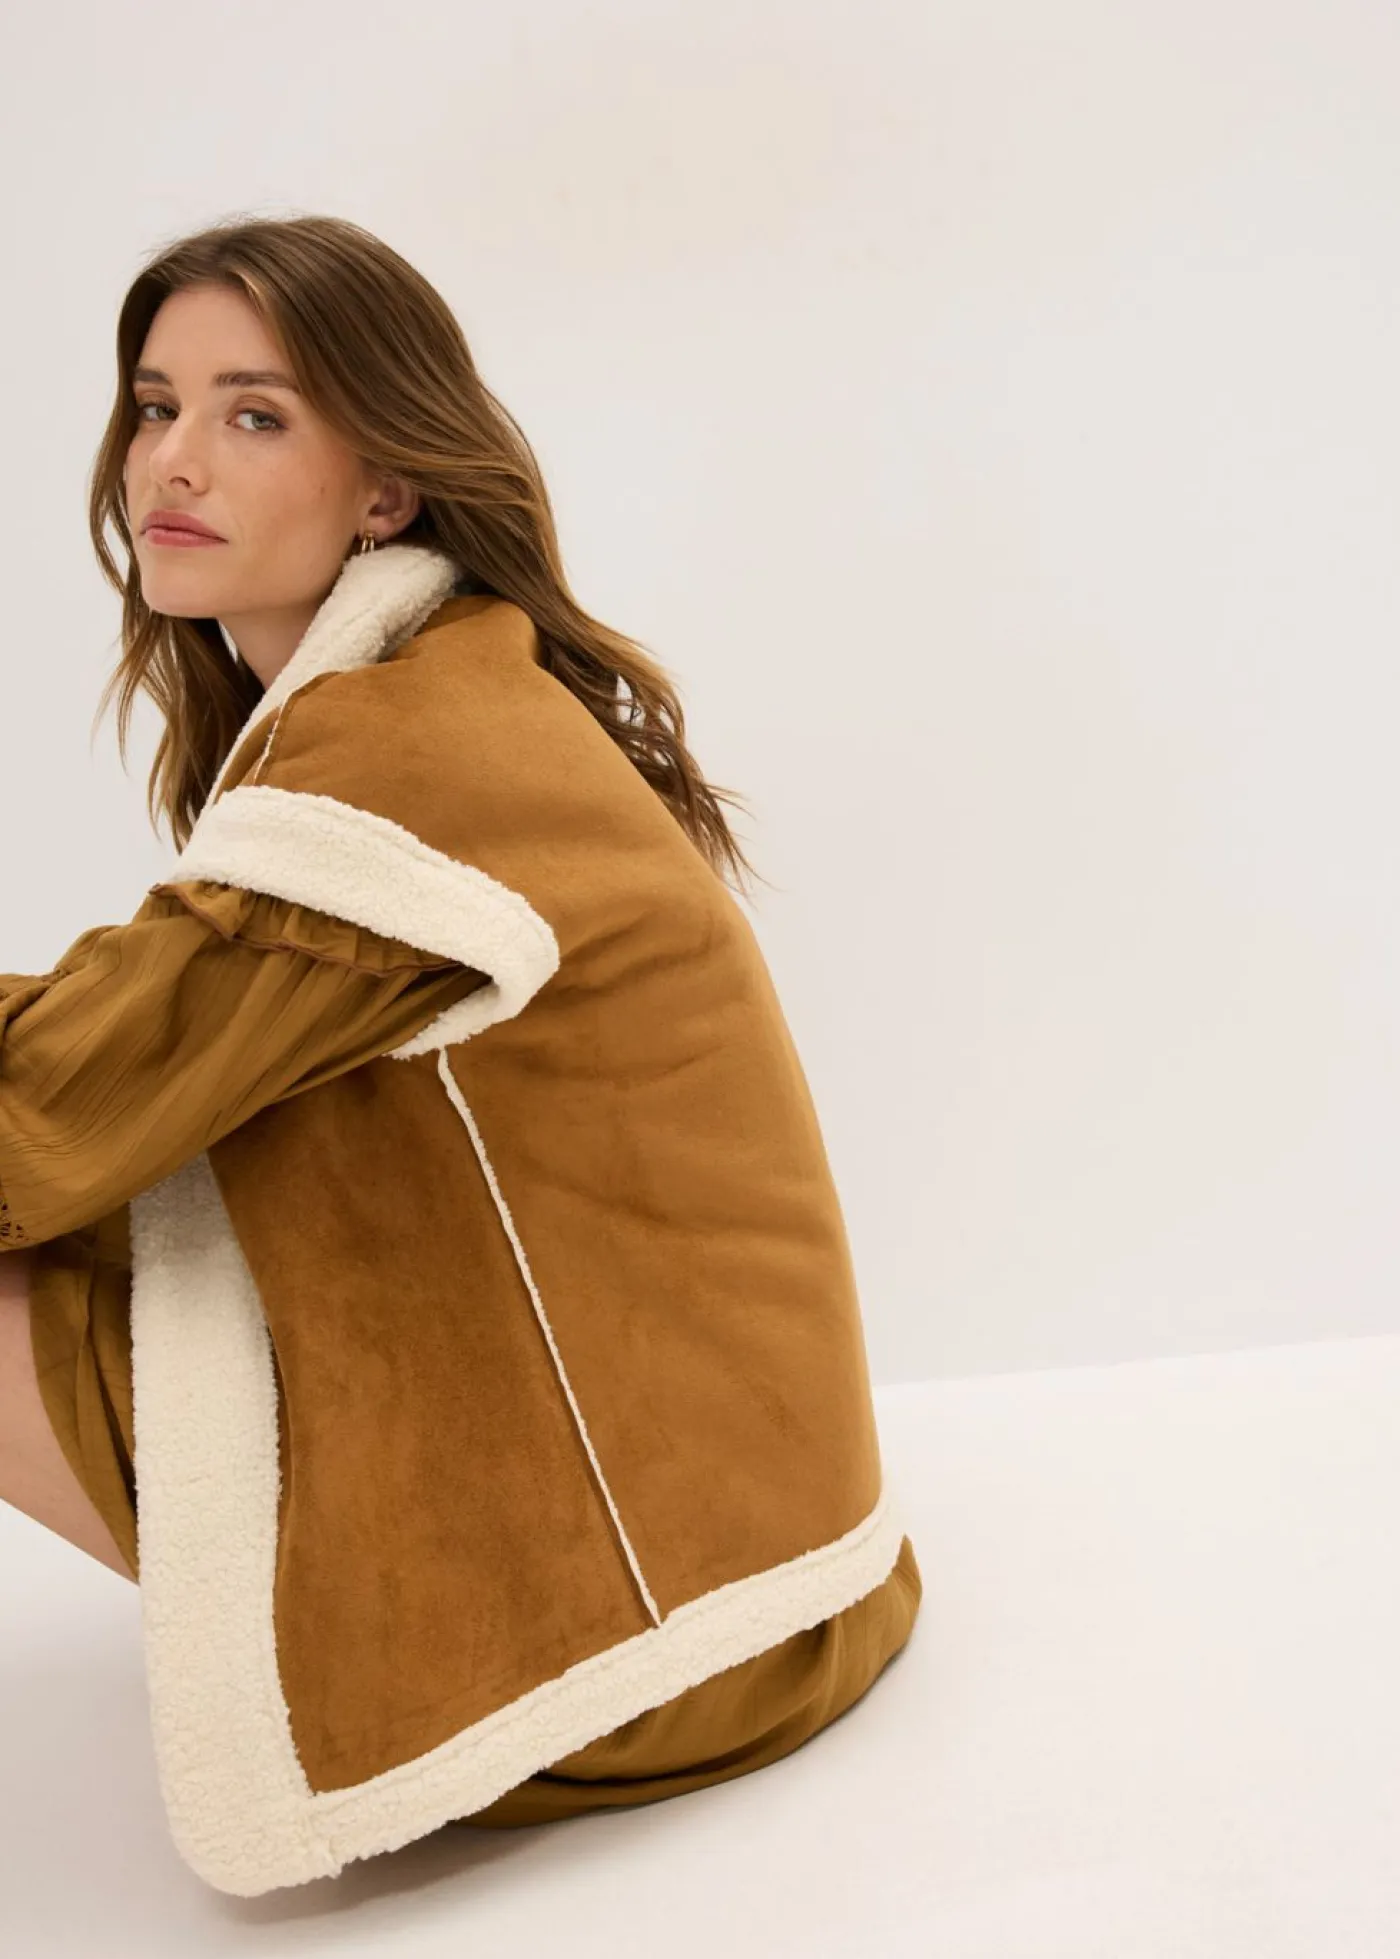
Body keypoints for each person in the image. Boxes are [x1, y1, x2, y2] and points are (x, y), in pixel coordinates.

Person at [0, 214, 921, 1898]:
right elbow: (124, 1035)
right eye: (155, 405)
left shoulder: (400, 760)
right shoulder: (439, 692)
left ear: (386, 489)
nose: (172, 461)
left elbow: (42, 1113)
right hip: (774, 1566)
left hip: (667, 1644)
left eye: (255, 414)